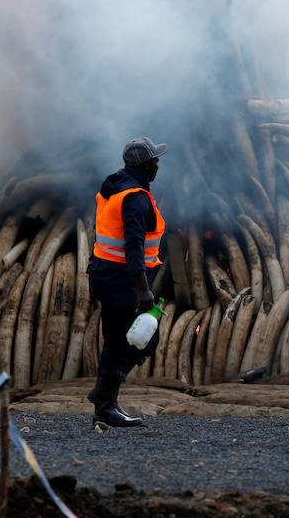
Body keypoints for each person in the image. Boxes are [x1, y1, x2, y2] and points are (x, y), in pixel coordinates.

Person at [86, 136, 167, 429]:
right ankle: (104, 402)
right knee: (140, 340)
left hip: (105, 275)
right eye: (155, 159)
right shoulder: (135, 198)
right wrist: (142, 288)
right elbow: (133, 245)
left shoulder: (113, 189)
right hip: (123, 281)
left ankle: (104, 398)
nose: (158, 164)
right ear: (146, 165)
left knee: (117, 340)